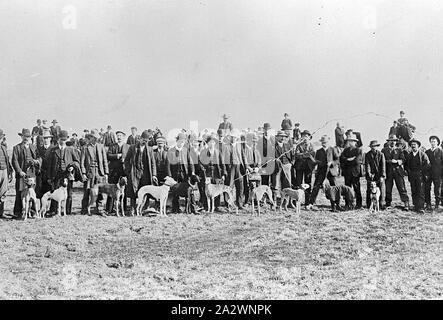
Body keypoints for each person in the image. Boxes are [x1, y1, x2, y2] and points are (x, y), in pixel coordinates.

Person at [124, 130, 158, 215]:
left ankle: (144, 209)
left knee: (145, 190)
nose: (145, 142)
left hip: (146, 173)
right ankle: (132, 209)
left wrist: (154, 174)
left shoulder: (149, 149)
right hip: (135, 172)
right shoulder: (132, 147)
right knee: (133, 190)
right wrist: (128, 171)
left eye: (147, 141)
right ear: (140, 138)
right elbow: (126, 161)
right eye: (144, 140)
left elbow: (153, 163)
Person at [47, 130, 80, 215]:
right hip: (56, 175)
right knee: (55, 192)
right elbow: (49, 165)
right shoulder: (53, 150)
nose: (63, 141)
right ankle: (54, 211)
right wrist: (49, 177)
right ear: (58, 139)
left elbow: (76, 161)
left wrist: (72, 167)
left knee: (68, 193)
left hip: (67, 175)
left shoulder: (71, 150)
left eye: (64, 140)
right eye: (61, 139)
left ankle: (67, 211)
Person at [12, 129, 42, 217]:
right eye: (25, 137)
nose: (26, 138)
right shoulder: (17, 148)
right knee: (20, 192)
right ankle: (18, 212)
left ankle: (32, 212)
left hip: (32, 174)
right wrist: (19, 171)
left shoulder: (33, 147)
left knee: (32, 192)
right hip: (22, 174)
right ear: (22, 137)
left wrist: (37, 161)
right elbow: (14, 161)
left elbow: (39, 157)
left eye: (28, 137)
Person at [80, 130, 109, 215]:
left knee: (100, 191)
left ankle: (100, 209)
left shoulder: (101, 146)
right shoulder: (85, 148)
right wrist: (84, 173)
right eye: (94, 138)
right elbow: (82, 162)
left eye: (97, 138)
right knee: (87, 191)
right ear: (90, 138)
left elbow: (104, 160)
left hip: (99, 173)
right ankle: (84, 209)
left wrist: (106, 173)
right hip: (90, 172)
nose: (96, 139)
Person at [309, 135, 341, 208]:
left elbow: (337, 160)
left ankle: (337, 204)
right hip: (321, 171)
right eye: (323, 142)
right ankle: (311, 203)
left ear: (328, 142)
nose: (324, 143)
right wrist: (316, 162)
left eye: (325, 142)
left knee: (334, 187)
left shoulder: (332, 149)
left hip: (331, 171)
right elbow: (316, 161)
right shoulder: (319, 151)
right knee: (316, 186)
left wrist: (332, 163)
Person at [382, 134, 410, 210]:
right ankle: (388, 203)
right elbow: (382, 161)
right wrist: (390, 161)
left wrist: (397, 161)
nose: (392, 142)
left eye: (394, 141)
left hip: (398, 172)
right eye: (391, 141)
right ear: (388, 142)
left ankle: (406, 203)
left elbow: (403, 160)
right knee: (388, 189)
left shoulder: (399, 150)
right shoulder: (384, 150)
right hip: (388, 172)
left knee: (402, 188)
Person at [167, 133, 194, 213]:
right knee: (175, 191)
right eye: (180, 141)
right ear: (177, 141)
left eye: (183, 142)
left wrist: (192, 172)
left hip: (184, 174)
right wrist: (169, 176)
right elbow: (168, 164)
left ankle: (188, 208)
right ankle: (176, 209)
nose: (181, 143)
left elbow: (190, 162)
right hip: (175, 174)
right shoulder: (171, 150)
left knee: (187, 191)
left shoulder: (186, 150)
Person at [200, 134, 225, 211]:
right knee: (207, 189)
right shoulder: (204, 152)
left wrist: (223, 174)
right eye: (210, 142)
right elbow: (200, 162)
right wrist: (203, 168)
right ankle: (206, 206)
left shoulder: (218, 152)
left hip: (217, 172)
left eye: (213, 142)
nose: (212, 144)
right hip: (207, 173)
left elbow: (222, 163)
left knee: (216, 188)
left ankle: (216, 206)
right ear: (207, 143)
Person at [404, 139, 430, 214]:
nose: (413, 146)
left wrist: (422, 172)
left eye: (415, 144)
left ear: (418, 146)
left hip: (420, 175)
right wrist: (409, 172)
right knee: (414, 190)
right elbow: (406, 165)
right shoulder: (409, 155)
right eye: (412, 145)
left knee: (420, 191)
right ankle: (415, 205)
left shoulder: (423, 154)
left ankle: (421, 207)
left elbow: (427, 165)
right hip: (412, 175)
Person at [222, 130, 245, 209]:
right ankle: (228, 204)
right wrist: (224, 171)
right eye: (232, 137)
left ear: (237, 138)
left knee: (240, 186)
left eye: (235, 137)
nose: (234, 138)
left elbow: (243, 157)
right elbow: (223, 160)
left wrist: (246, 167)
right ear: (230, 137)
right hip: (230, 168)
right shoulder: (226, 146)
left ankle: (240, 203)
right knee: (229, 186)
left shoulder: (239, 146)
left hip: (239, 167)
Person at [340, 133, 363, 209]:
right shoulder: (345, 150)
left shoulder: (358, 150)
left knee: (357, 189)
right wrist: (348, 159)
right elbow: (341, 159)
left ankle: (358, 204)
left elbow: (357, 161)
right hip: (347, 173)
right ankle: (348, 204)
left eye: (352, 141)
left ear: (355, 142)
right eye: (349, 141)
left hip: (355, 173)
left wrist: (348, 160)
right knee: (347, 189)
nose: (350, 143)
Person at [294, 130, 315, 205]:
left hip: (308, 168)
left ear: (309, 137)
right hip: (299, 167)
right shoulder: (299, 145)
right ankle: (297, 201)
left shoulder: (312, 146)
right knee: (298, 183)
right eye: (303, 136)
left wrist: (303, 155)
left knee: (308, 184)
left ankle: (307, 202)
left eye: (306, 136)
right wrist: (306, 155)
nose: (305, 138)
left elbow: (312, 154)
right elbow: (297, 155)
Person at [365, 140, 386, 209]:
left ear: (377, 147)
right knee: (369, 189)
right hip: (371, 175)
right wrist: (369, 173)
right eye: (372, 146)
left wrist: (382, 176)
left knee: (381, 189)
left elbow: (383, 166)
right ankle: (369, 205)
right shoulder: (367, 155)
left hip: (379, 174)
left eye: (375, 146)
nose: (373, 148)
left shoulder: (381, 154)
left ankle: (381, 204)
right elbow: (367, 165)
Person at [425, 135, 443, 211]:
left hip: (438, 174)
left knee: (437, 189)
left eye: (434, 141)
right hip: (429, 174)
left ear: (437, 142)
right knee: (427, 189)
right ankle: (428, 204)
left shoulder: (441, 151)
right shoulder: (427, 152)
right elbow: (425, 163)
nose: (433, 143)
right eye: (431, 141)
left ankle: (437, 204)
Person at [36, 129, 55, 201]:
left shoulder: (53, 148)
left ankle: (51, 210)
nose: (46, 140)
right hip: (41, 174)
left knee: (50, 192)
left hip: (50, 174)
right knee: (40, 192)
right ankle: (41, 209)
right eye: (44, 138)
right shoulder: (39, 149)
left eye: (47, 138)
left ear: (50, 138)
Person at [0, 129, 13, 218]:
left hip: (4, 171)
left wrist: (10, 172)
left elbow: (7, 160)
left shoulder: (3, 147)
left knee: (3, 192)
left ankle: (1, 212)